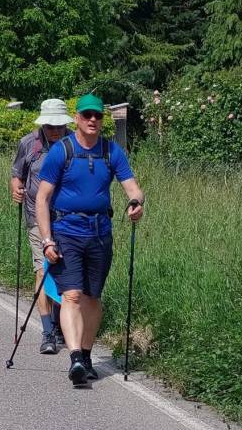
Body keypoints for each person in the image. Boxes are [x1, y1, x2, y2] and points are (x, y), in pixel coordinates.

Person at [35, 93, 144, 387]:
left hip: (99, 234)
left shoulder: (112, 151)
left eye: (97, 115)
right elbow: (42, 199)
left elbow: (133, 187)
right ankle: (75, 360)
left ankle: (86, 354)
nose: (93, 120)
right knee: (72, 295)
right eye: (87, 115)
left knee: (93, 298)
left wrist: (135, 202)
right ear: (77, 118)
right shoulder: (62, 151)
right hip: (66, 232)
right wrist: (47, 240)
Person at [11, 99, 73, 354]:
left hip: (69, 219)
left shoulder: (75, 143)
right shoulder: (29, 143)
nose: (55, 130)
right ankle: (47, 331)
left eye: (59, 125)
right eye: (49, 125)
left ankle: (61, 323)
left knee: (65, 273)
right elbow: (17, 173)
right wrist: (15, 187)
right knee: (43, 270)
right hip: (37, 218)